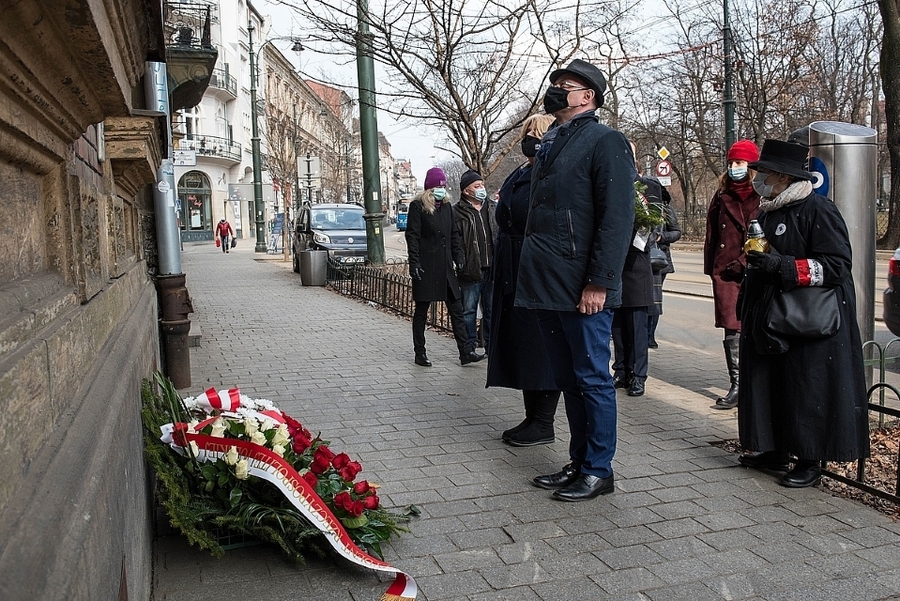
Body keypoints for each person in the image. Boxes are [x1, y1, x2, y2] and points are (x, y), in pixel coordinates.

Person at [516, 59, 636, 501]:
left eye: (564, 86)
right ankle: (580, 461)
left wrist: (600, 282)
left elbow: (617, 218)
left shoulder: (605, 141)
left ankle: (599, 469)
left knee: (592, 378)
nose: (555, 92)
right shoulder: (554, 140)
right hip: (549, 282)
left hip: (583, 284)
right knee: (569, 378)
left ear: (587, 97)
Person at [737, 138, 869, 488]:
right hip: (770, 315)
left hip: (807, 319)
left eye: (765, 172)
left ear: (784, 176)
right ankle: (774, 449)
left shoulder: (818, 209)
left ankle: (810, 459)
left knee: (805, 387)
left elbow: (837, 266)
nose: (759, 179)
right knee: (771, 383)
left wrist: (783, 266)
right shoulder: (767, 211)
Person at [487, 114, 561, 447]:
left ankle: (544, 422)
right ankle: (532, 418)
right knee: (522, 344)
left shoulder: (552, 173)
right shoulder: (520, 171)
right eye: (527, 133)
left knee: (539, 345)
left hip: (536, 268)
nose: (531, 139)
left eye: (538, 134)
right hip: (512, 265)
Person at [406, 167, 484, 367]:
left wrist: (459, 256)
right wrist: (414, 262)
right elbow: (412, 236)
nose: (441, 190)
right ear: (429, 189)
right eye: (438, 187)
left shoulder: (447, 207)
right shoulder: (418, 206)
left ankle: (466, 352)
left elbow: (453, 235)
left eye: (443, 186)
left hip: (446, 268)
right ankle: (420, 352)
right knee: (422, 311)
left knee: (457, 310)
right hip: (426, 266)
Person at [703, 139, 760, 410]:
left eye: (739, 162)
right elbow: (712, 234)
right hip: (726, 272)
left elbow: (765, 237)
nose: (734, 167)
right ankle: (737, 384)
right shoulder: (721, 194)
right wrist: (712, 268)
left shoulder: (762, 195)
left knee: (754, 326)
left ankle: (755, 385)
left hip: (755, 269)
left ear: (751, 166)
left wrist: (745, 261)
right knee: (731, 327)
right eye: (731, 162)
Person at [610, 169, 654, 398]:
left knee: (637, 327)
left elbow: (649, 225)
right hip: (614, 266)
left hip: (635, 266)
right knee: (617, 326)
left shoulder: (645, 189)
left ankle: (638, 374)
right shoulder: (609, 181)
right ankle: (621, 370)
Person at [454, 169, 496, 353]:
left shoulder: (492, 207)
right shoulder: (457, 212)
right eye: (477, 186)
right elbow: (455, 241)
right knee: (468, 311)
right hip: (470, 269)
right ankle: (469, 347)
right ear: (466, 190)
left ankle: (491, 346)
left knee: (491, 309)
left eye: (482, 185)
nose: (481, 189)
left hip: (492, 268)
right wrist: (460, 261)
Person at [646, 180, 680, 348]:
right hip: (640, 259)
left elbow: (676, 232)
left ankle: (650, 335)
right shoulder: (639, 205)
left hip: (658, 260)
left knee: (655, 299)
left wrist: (662, 237)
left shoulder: (665, 209)